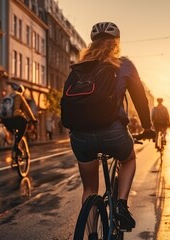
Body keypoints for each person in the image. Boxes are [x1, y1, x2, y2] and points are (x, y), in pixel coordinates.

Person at [67, 21, 155, 231]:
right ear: (116, 43)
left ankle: (92, 233)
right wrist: (147, 126)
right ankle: (121, 205)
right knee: (129, 159)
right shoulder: (123, 65)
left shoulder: (78, 68)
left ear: (92, 44)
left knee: (89, 187)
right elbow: (140, 99)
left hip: (80, 137)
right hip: (113, 132)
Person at [0, 83, 37, 166]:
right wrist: (33, 119)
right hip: (16, 118)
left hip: (5, 120)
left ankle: (15, 149)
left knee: (15, 134)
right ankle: (16, 146)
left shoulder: (7, 96)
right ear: (21, 91)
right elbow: (26, 108)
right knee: (24, 124)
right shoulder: (19, 96)